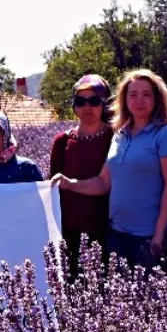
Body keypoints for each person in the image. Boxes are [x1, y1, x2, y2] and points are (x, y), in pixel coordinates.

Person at [53, 69, 167, 271]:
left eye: (146, 94)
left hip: (148, 236)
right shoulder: (120, 135)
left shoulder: (166, 135)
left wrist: (159, 233)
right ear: (124, 100)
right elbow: (104, 182)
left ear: (157, 98)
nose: (139, 100)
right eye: (133, 94)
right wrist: (70, 184)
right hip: (117, 235)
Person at [50, 74, 113, 275]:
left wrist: (72, 184)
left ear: (104, 104)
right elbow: (52, 187)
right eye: (80, 101)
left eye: (94, 101)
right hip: (69, 232)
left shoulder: (116, 138)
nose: (87, 107)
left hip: (106, 231)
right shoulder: (62, 141)